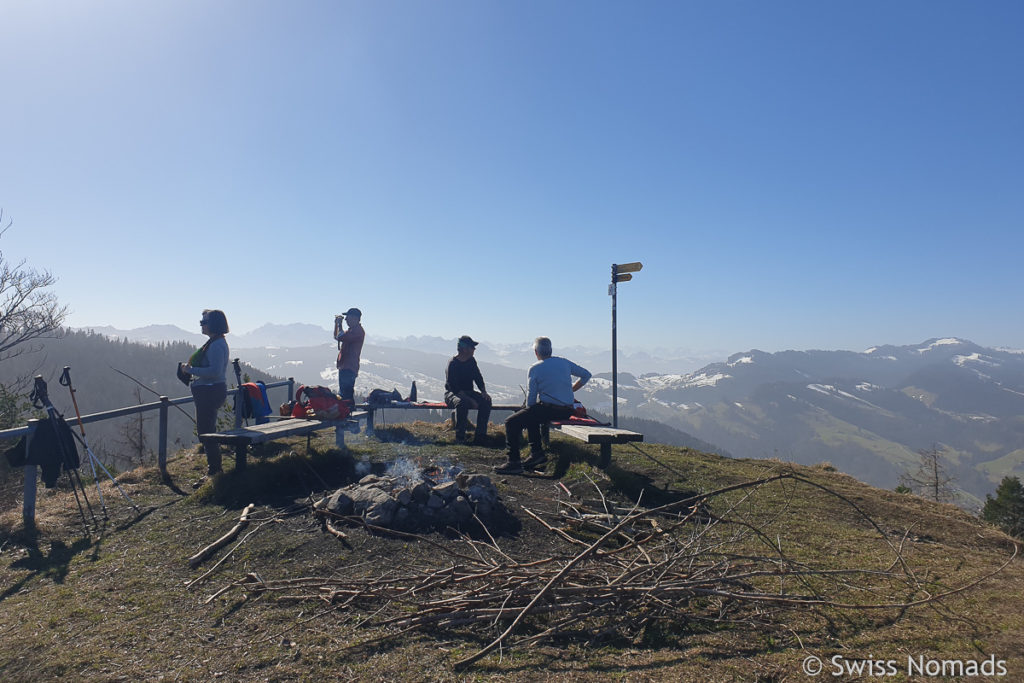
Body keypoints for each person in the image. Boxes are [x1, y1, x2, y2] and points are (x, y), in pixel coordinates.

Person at [497, 336, 591, 475]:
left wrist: (528, 408)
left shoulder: (535, 369)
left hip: (549, 409)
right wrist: (571, 390)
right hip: (567, 410)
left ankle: (514, 462)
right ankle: (536, 453)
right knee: (532, 416)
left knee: (511, 422)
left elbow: (531, 399)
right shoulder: (564, 362)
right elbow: (586, 375)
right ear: (551, 350)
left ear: (536, 352)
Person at [182, 309, 230, 478]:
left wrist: (190, 370)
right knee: (206, 431)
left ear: (213, 324)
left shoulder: (216, 345)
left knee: (207, 433)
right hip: (209, 391)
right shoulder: (216, 342)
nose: (201, 325)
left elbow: (216, 371)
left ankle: (215, 471)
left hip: (210, 391)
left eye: (204, 322)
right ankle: (214, 469)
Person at [444, 335, 492, 444]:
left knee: (486, 401)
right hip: (452, 394)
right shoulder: (453, 363)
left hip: (468, 392)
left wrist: (484, 392)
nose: (474, 350)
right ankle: (460, 437)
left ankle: (480, 435)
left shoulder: (471, 361)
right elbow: (453, 387)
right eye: (472, 347)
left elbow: (478, 377)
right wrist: (470, 400)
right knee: (462, 403)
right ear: (464, 349)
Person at [334, 307, 365, 401]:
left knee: (345, 395)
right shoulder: (352, 331)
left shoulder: (357, 332)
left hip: (349, 367)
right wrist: (337, 325)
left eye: (348, 317)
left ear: (355, 319)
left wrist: (339, 324)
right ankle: (346, 411)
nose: (346, 319)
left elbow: (340, 336)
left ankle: (347, 412)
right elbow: (337, 336)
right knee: (344, 394)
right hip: (345, 366)